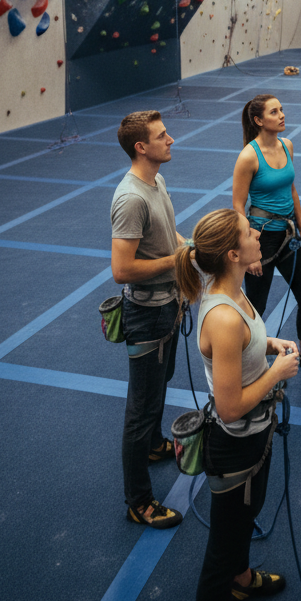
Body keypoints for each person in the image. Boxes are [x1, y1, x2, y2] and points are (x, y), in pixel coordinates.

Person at [174, 209, 299, 601]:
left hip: (255, 437)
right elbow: (229, 407)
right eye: (250, 232)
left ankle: (243, 581)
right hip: (236, 443)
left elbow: (245, 343)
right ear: (232, 253)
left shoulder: (234, 290)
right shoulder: (223, 317)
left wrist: (267, 345)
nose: (257, 234)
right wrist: (277, 372)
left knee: (249, 514)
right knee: (219, 557)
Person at [111, 110, 188, 528]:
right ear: (141, 147)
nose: (170, 139)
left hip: (169, 305)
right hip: (147, 314)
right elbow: (122, 269)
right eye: (162, 136)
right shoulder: (131, 198)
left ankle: (156, 444)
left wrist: (188, 247)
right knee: (140, 410)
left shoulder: (156, 181)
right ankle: (138, 502)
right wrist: (177, 261)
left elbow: (167, 233)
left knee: (160, 383)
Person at [232, 94, 301, 372]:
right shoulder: (248, 156)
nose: (282, 115)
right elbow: (238, 206)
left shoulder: (287, 145)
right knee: (256, 307)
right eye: (274, 112)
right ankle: (245, 362)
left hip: (288, 237)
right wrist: (249, 252)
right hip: (260, 239)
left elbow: (291, 190)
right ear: (258, 120)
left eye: (281, 110)